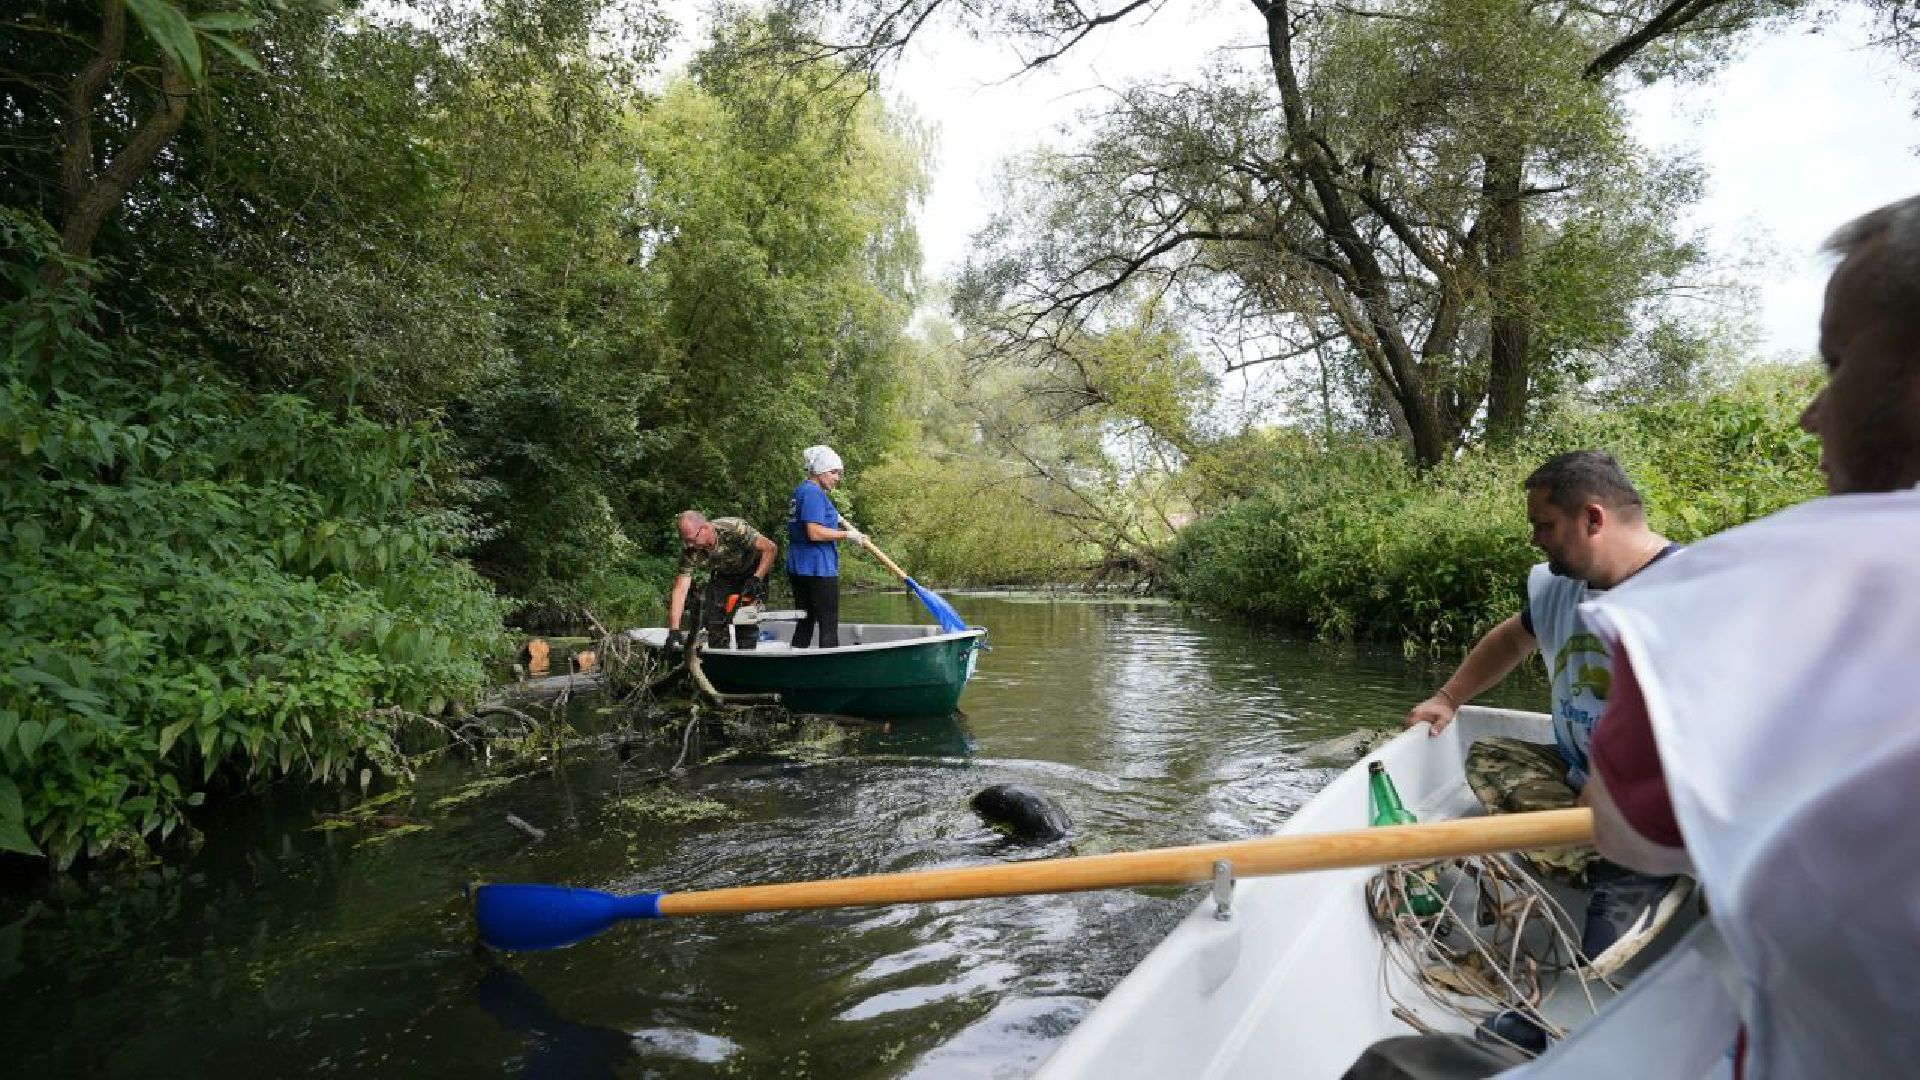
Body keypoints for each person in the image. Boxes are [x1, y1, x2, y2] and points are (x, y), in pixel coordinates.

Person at [1502, 194, 1920, 1078]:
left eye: (1838, 363)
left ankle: (1570, 989)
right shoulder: (1558, 590)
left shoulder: (1734, 593)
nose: (1813, 413)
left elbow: (1633, 834)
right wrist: (1450, 698)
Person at [1402, 450, 1685, 976]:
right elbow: (1512, 639)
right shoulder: (1562, 587)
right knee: (1489, 755)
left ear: (1593, 519)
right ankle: (1592, 848)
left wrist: (1615, 779)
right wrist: (1447, 698)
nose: (1536, 539)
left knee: (1600, 963)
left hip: (1658, 796)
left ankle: (1636, 868)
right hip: (1582, 779)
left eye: (1545, 525)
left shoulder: (1686, 591)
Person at [665, 510, 777, 652]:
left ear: (705, 528)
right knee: (714, 619)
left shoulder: (733, 528)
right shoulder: (690, 550)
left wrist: (757, 579)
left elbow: (770, 548)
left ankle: (746, 655)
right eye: (685, 541)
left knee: (745, 618)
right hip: (724, 574)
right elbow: (680, 589)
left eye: (692, 540)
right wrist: (674, 629)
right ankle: (718, 656)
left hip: (752, 571)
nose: (689, 545)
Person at [785, 445, 863, 648]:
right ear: (819, 471)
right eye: (833, 472)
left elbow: (817, 518)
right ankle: (831, 672)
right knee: (828, 624)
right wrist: (848, 535)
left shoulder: (801, 491)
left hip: (798, 566)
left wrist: (836, 518)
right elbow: (814, 532)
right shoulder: (813, 493)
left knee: (805, 621)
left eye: (839, 473)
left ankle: (796, 667)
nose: (837, 477)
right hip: (818, 567)